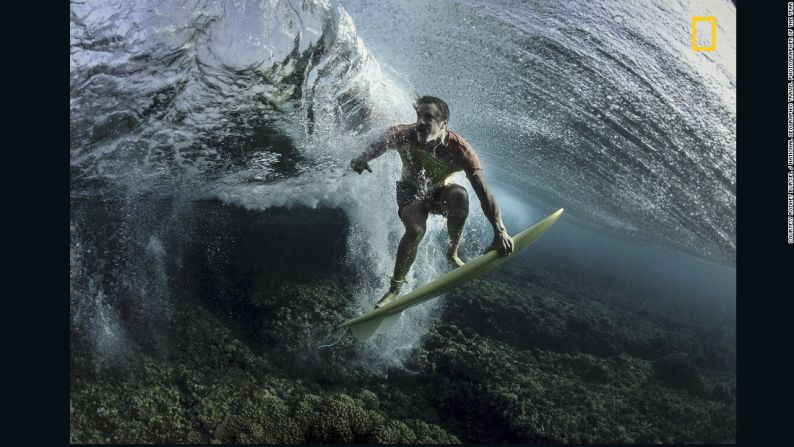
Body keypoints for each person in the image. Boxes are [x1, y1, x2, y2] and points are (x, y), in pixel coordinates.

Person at [350, 96, 514, 307]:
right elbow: (378, 145)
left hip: (440, 193)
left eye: (428, 117)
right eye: (419, 116)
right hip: (409, 191)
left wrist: (500, 231)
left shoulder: (461, 151)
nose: (420, 122)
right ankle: (394, 290)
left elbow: (486, 196)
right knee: (416, 229)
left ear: (444, 124)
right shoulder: (402, 135)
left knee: (460, 195)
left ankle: (452, 253)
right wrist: (362, 158)